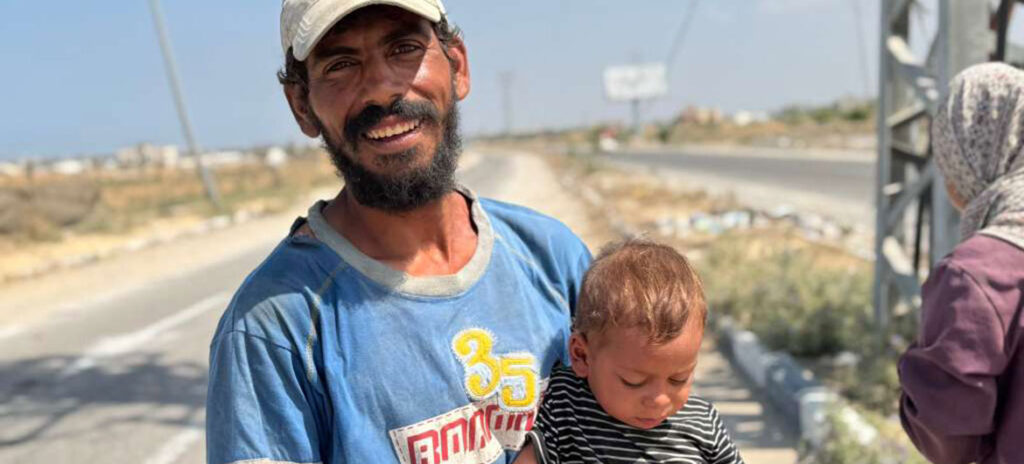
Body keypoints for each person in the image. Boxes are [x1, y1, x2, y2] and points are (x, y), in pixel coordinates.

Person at [204, 1, 592, 463]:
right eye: (341, 65)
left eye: (404, 49)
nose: (381, 89)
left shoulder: (553, 259)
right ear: (301, 106)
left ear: (458, 66)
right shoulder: (275, 327)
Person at [515, 239, 744, 464]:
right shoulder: (565, 404)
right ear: (581, 356)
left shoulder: (702, 422)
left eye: (678, 379)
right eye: (634, 382)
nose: (659, 400)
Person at [899, 62, 1024, 464]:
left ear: (970, 161)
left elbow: (950, 439)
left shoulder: (974, 274)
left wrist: (918, 369)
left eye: (948, 163)